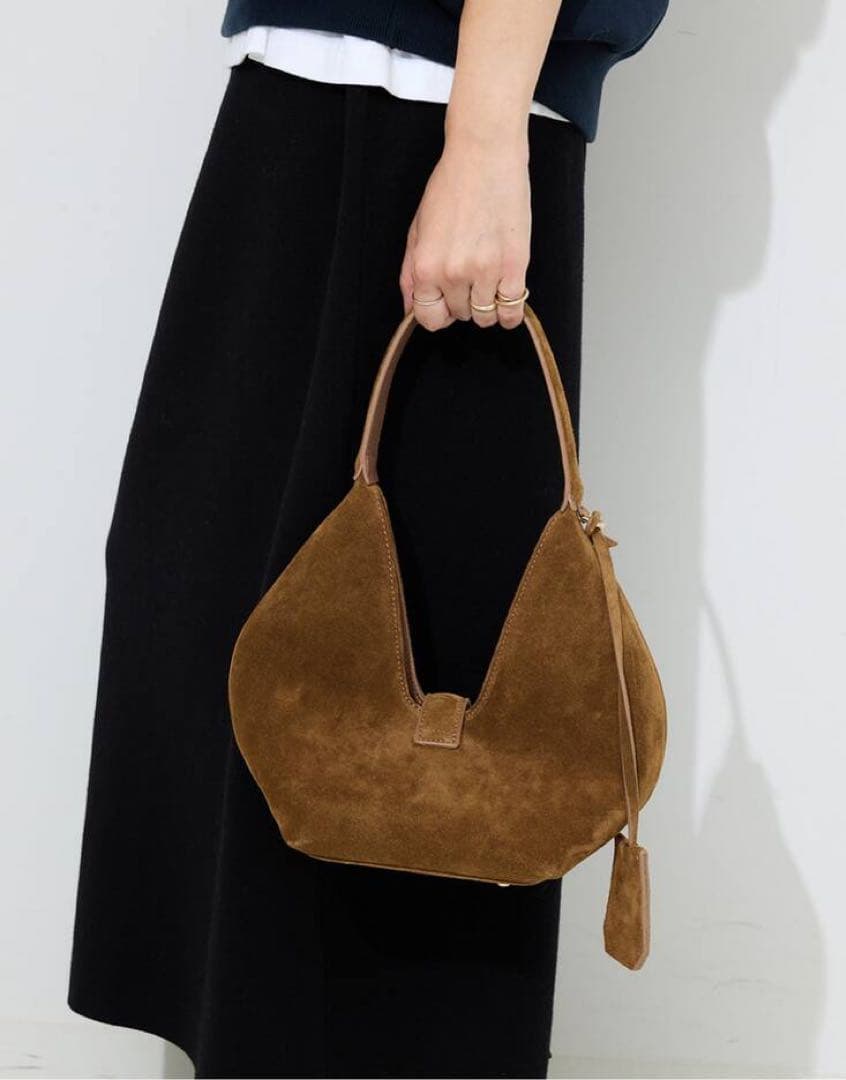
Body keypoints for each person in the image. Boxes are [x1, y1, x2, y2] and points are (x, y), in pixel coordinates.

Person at [68, 2, 668, 1076]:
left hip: (430, 108)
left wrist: (482, 142)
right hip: (305, 96)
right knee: (207, 610)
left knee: (429, 727)